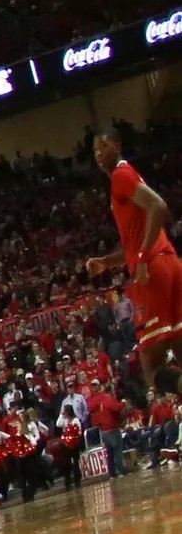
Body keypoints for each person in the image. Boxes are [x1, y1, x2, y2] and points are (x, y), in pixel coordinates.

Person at [87, 130, 176, 386]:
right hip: (169, 263)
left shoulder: (120, 176)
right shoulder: (128, 176)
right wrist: (106, 262)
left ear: (117, 145)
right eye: (95, 150)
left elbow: (158, 206)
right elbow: (134, 246)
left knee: (150, 369)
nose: (99, 153)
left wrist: (144, 258)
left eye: (103, 146)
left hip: (154, 268)